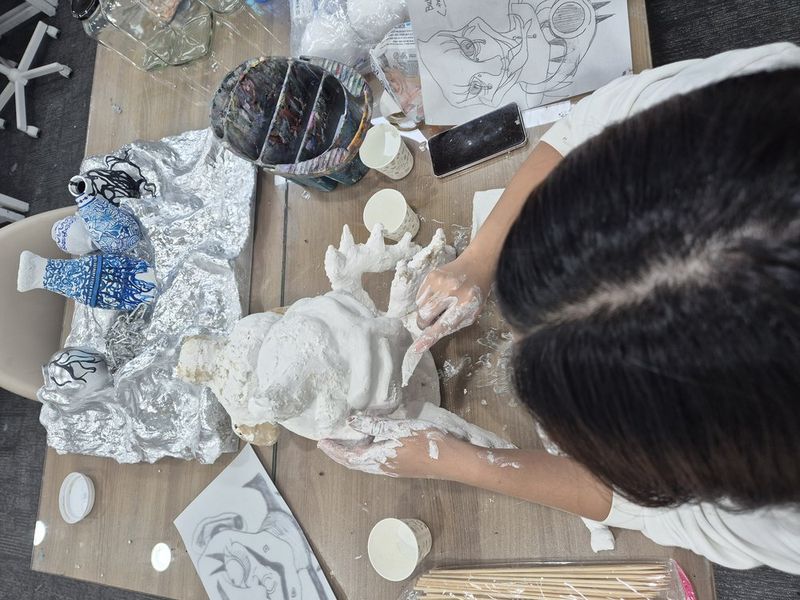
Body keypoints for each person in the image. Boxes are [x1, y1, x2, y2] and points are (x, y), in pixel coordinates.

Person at [318, 43, 800, 574]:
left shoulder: (781, 525)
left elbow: (661, 511)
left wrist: (468, 462)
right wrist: (479, 259)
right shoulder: (739, 113)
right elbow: (584, 128)